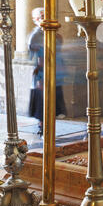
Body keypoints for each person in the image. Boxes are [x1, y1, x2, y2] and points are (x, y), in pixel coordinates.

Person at [28, 7, 66, 136]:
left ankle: (50, 125)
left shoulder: (54, 33)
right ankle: (42, 126)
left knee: (54, 101)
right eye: (42, 16)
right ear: (36, 19)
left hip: (55, 71)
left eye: (46, 15)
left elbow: (58, 48)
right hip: (42, 73)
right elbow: (34, 53)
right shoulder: (35, 35)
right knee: (42, 104)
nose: (45, 18)